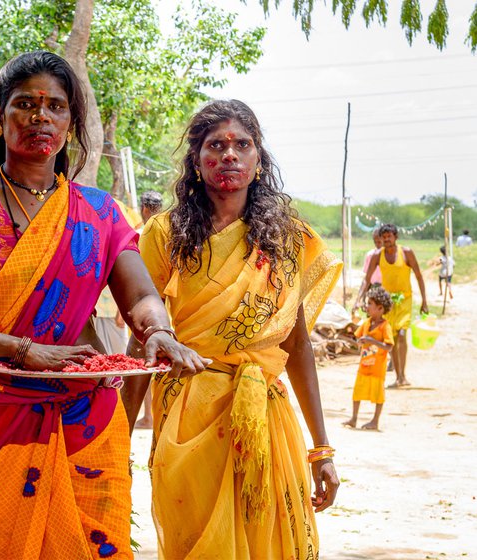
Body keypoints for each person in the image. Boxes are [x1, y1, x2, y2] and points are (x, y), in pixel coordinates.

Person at [0, 51, 204, 559]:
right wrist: (19, 349)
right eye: (25, 104)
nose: (41, 117)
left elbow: (140, 294)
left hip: (82, 418)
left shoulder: (99, 211)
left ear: (72, 123)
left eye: (56, 106)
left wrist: (158, 332)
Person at [123, 100, 342, 557]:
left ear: (259, 160)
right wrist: (116, 439)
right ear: (196, 161)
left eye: (242, 144)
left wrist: (322, 449)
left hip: (264, 414)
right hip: (186, 413)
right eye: (215, 145)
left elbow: (297, 343)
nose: (229, 155)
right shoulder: (164, 234)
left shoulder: (287, 239)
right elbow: (140, 339)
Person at [355, 223, 427, 388]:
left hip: (405, 300)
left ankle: (403, 375)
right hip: (387, 303)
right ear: (380, 239)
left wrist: (424, 301)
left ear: (396, 237)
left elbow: (418, 275)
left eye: (389, 236)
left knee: (402, 333)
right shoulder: (377, 256)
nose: (386, 239)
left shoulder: (406, 253)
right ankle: (399, 376)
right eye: (384, 236)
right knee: (392, 338)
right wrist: (359, 298)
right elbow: (367, 279)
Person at [133, 190, 165, 430]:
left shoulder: (147, 234)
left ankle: (147, 416)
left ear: (144, 208)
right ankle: (150, 415)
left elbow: (140, 286)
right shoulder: (173, 231)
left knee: (146, 363)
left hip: (148, 315)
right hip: (167, 314)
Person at [343, 286, 393, 431]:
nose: (367, 306)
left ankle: (375, 421)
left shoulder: (385, 326)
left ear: (380, 308)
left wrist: (372, 341)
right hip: (364, 366)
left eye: (370, 304)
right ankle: (354, 418)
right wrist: (359, 342)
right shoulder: (367, 323)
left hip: (378, 368)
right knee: (357, 392)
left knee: (378, 395)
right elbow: (358, 338)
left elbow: (389, 346)